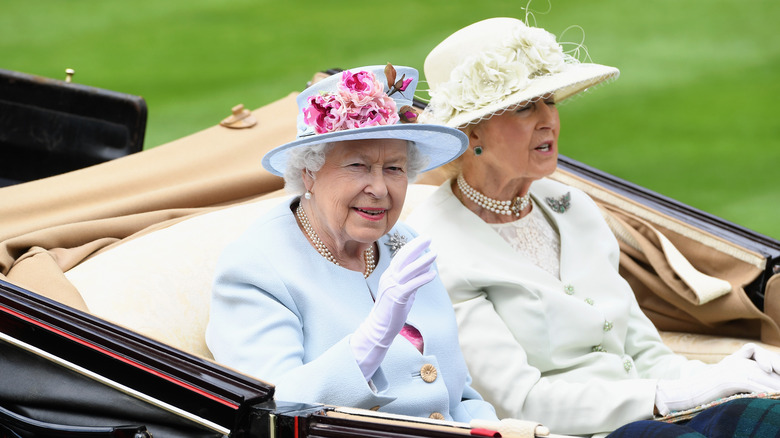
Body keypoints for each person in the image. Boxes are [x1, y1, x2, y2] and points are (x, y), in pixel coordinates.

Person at [407, 17, 780, 437]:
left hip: (654, 417)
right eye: (526, 106)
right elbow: (521, 400)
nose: (549, 118)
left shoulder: (574, 207)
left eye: (550, 100)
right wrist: (672, 397)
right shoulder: (434, 247)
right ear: (471, 129)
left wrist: (733, 372)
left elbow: (646, 355)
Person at [205, 64, 513, 426]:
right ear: (309, 172)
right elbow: (273, 416)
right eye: (357, 165)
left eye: (395, 169)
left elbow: (457, 394)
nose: (380, 189)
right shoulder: (257, 267)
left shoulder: (404, 243)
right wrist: (371, 340)